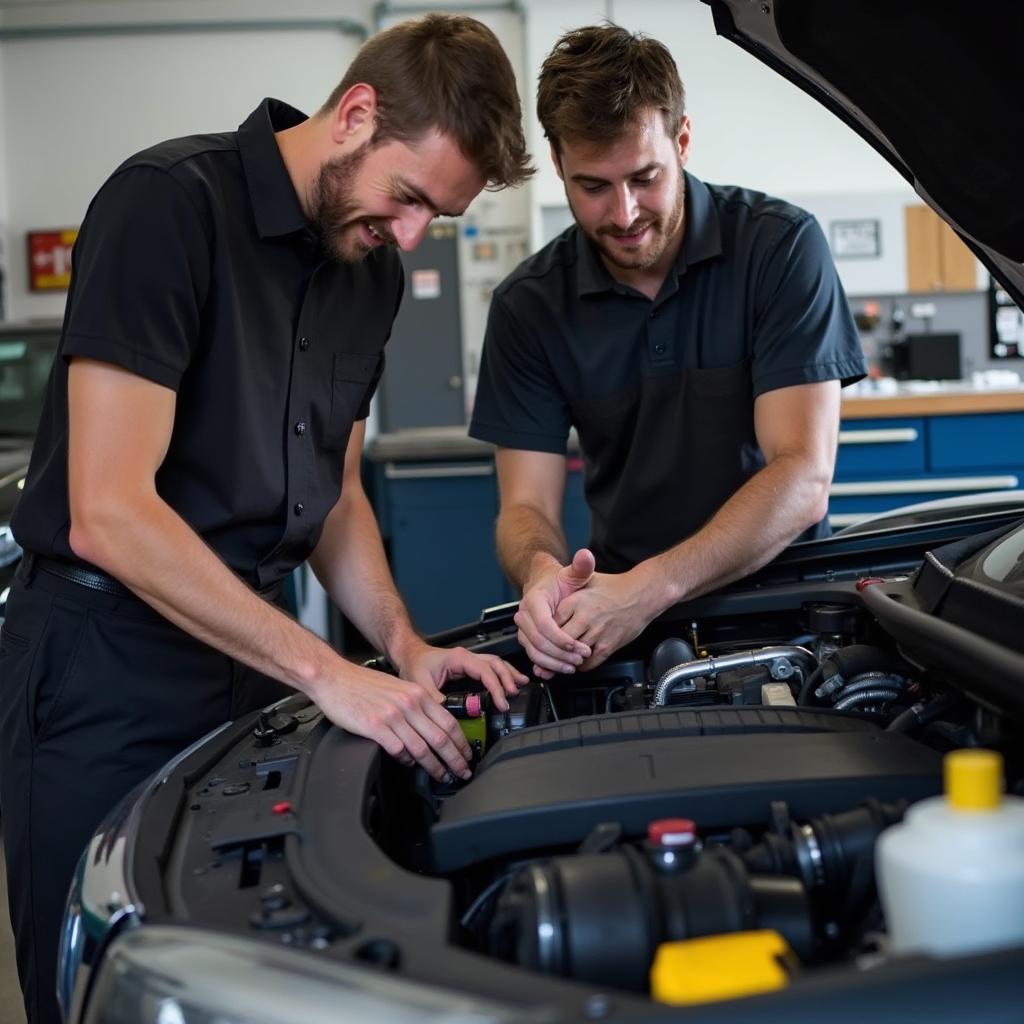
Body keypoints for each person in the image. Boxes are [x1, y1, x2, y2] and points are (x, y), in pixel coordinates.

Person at [0, 14, 532, 1024]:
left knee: (239, 976)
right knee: (101, 980)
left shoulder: (368, 271)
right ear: (356, 116)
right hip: (102, 666)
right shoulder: (167, 206)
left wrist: (400, 644)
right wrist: (328, 672)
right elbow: (109, 510)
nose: (414, 237)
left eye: (439, 218)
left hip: (250, 660)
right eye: (409, 198)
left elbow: (329, 494)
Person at [469, 25, 866, 679]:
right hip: (621, 624)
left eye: (645, 178)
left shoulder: (780, 249)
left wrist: (651, 588)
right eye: (593, 186)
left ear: (682, 141)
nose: (624, 214)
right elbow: (525, 508)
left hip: (789, 609)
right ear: (558, 160)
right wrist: (542, 572)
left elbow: (802, 478)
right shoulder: (528, 306)